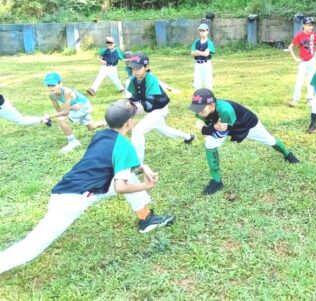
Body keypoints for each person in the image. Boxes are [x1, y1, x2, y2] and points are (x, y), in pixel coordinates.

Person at [0, 99, 175, 275]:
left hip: (81, 189)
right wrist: (146, 184)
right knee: (31, 246)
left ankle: (146, 219)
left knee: (129, 175)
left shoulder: (101, 135)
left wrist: (143, 167)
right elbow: (120, 187)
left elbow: (118, 167)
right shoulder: (124, 145)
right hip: (73, 200)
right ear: (128, 123)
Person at [188, 88, 299, 195]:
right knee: (210, 143)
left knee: (270, 141)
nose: (199, 112)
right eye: (196, 108)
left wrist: (207, 128)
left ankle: (287, 154)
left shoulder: (225, 110)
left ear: (212, 104)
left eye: (201, 109)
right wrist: (211, 127)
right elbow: (200, 123)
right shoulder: (203, 110)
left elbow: (217, 133)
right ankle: (217, 181)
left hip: (248, 125)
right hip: (223, 126)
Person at [127, 53, 194, 165]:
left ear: (146, 67)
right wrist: (127, 105)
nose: (135, 71)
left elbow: (148, 104)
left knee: (137, 131)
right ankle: (188, 136)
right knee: (163, 129)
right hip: (152, 108)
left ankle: (138, 165)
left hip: (159, 108)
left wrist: (131, 111)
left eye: (138, 67)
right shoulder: (134, 80)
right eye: (133, 68)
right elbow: (134, 97)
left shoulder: (151, 79)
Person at [43, 72, 106, 153]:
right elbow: (59, 110)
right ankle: (106, 122)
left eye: (53, 85)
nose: (51, 88)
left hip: (84, 106)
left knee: (61, 119)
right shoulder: (51, 95)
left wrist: (50, 116)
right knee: (91, 127)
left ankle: (73, 142)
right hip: (75, 108)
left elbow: (65, 112)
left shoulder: (67, 91)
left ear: (60, 84)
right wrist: (70, 107)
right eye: (48, 85)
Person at [288, 16, 316, 107]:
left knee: (311, 81)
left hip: (312, 61)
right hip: (303, 62)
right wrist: (296, 59)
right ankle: (295, 99)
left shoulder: (313, 35)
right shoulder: (299, 35)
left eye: (311, 25)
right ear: (303, 25)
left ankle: (310, 99)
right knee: (300, 80)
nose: (310, 27)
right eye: (308, 25)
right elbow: (290, 47)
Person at [191, 23, 216, 90]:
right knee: (197, 83)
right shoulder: (196, 42)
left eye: (203, 31)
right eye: (200, 31)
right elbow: (192, 53)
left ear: (207, 31)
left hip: (206, 63)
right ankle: (198, 98)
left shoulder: (209, 42)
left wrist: (198, 52)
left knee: (208, 83)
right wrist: (200, 53)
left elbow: (206, 54)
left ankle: (209, 98)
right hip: (198, 64)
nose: (202, 33)